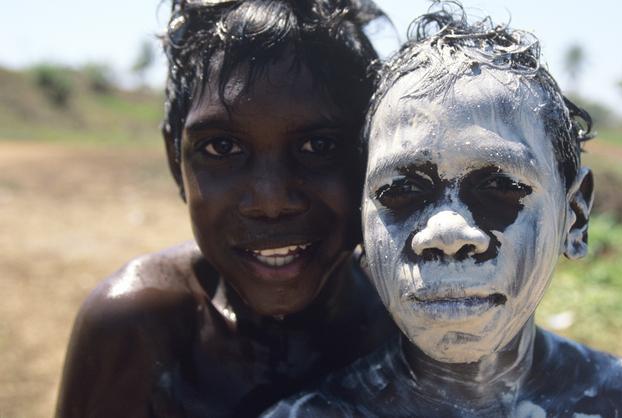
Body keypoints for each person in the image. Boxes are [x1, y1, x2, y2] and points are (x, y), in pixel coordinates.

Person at [264, 6, 622, 417]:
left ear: (575, 215)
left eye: (500, 187)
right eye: (401, 191)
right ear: (361, 225)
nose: (447, 232)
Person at [55, 0, 397, 416]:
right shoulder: (137, 333)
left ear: (373, 153)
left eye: (318, 146)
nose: (271, 201)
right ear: (173, 161)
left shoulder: (409, 320)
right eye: (222, 147)